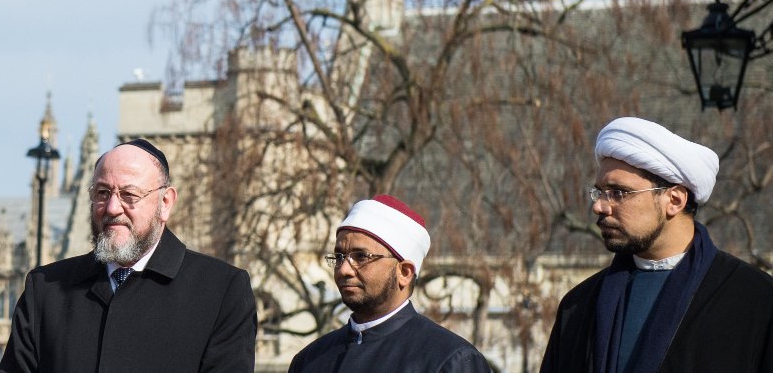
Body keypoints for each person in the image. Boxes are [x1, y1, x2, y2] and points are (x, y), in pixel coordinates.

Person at [0, 138, 256, 372]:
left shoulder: (221, 291)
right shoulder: (46, 289)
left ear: (165, 203)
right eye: (102, 193)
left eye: (129, 195)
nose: (112, 208)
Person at [540, 117, 773, 372]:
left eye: (618, 193)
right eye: (599, 192)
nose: (599, 206)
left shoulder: (755, 301)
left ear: (674, 200)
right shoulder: (579, 306)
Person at [288, 195, 489, 372]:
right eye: (340, 256)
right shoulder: (309, 360)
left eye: (361, 256)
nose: (344, 270)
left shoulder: (449, 361)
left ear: (404, 272)